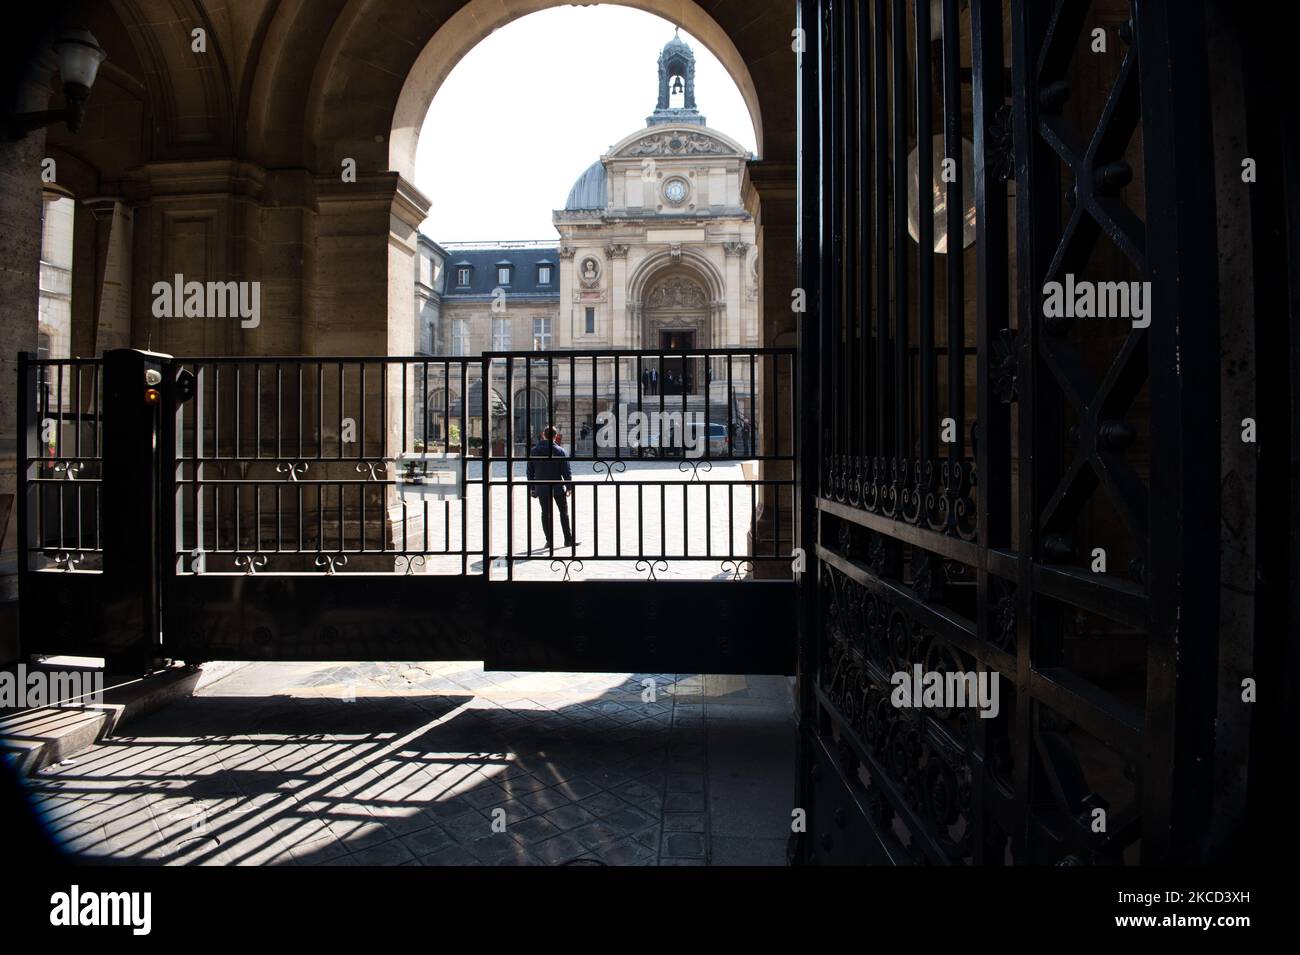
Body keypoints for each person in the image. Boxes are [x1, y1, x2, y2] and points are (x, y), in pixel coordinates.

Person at [526, 425, 576, 550]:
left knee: (545, 514)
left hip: (541, 487)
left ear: (543, 434)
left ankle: (549, 541)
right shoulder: (559, 451)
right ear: (555, 436)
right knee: (563, 513)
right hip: (557, 486)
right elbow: (566, 471)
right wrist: (569, 486)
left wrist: (532, 488)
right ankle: (568, 539)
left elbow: (530, 471)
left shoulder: (534, 451)